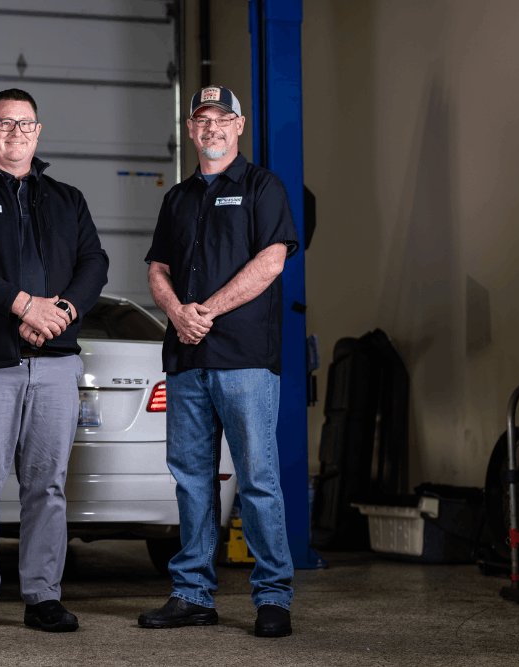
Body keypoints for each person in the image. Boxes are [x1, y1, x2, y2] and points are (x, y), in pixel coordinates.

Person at [0, 89, 108, 635]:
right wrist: (22, 305)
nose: (15, 133)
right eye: (3, 124)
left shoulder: (68, 199)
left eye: (24, 125)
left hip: (54, 364)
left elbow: (93, 262)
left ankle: (42, 596)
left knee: (47, 486)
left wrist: (63, 311)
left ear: (38, 132)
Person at [138, 85, 300, 638]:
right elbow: (157, 269)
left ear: (239, 126)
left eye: (221, 118)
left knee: (257, 478)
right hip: (186, 359)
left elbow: (272, 260)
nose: (211, 127)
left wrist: (205, 309)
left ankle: (273, 595)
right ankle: (192, 594)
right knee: (191, 480)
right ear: (190, 130)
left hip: (245, 359)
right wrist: (177, 313)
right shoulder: (177, 199)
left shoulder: (262, 187)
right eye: (201, 118)